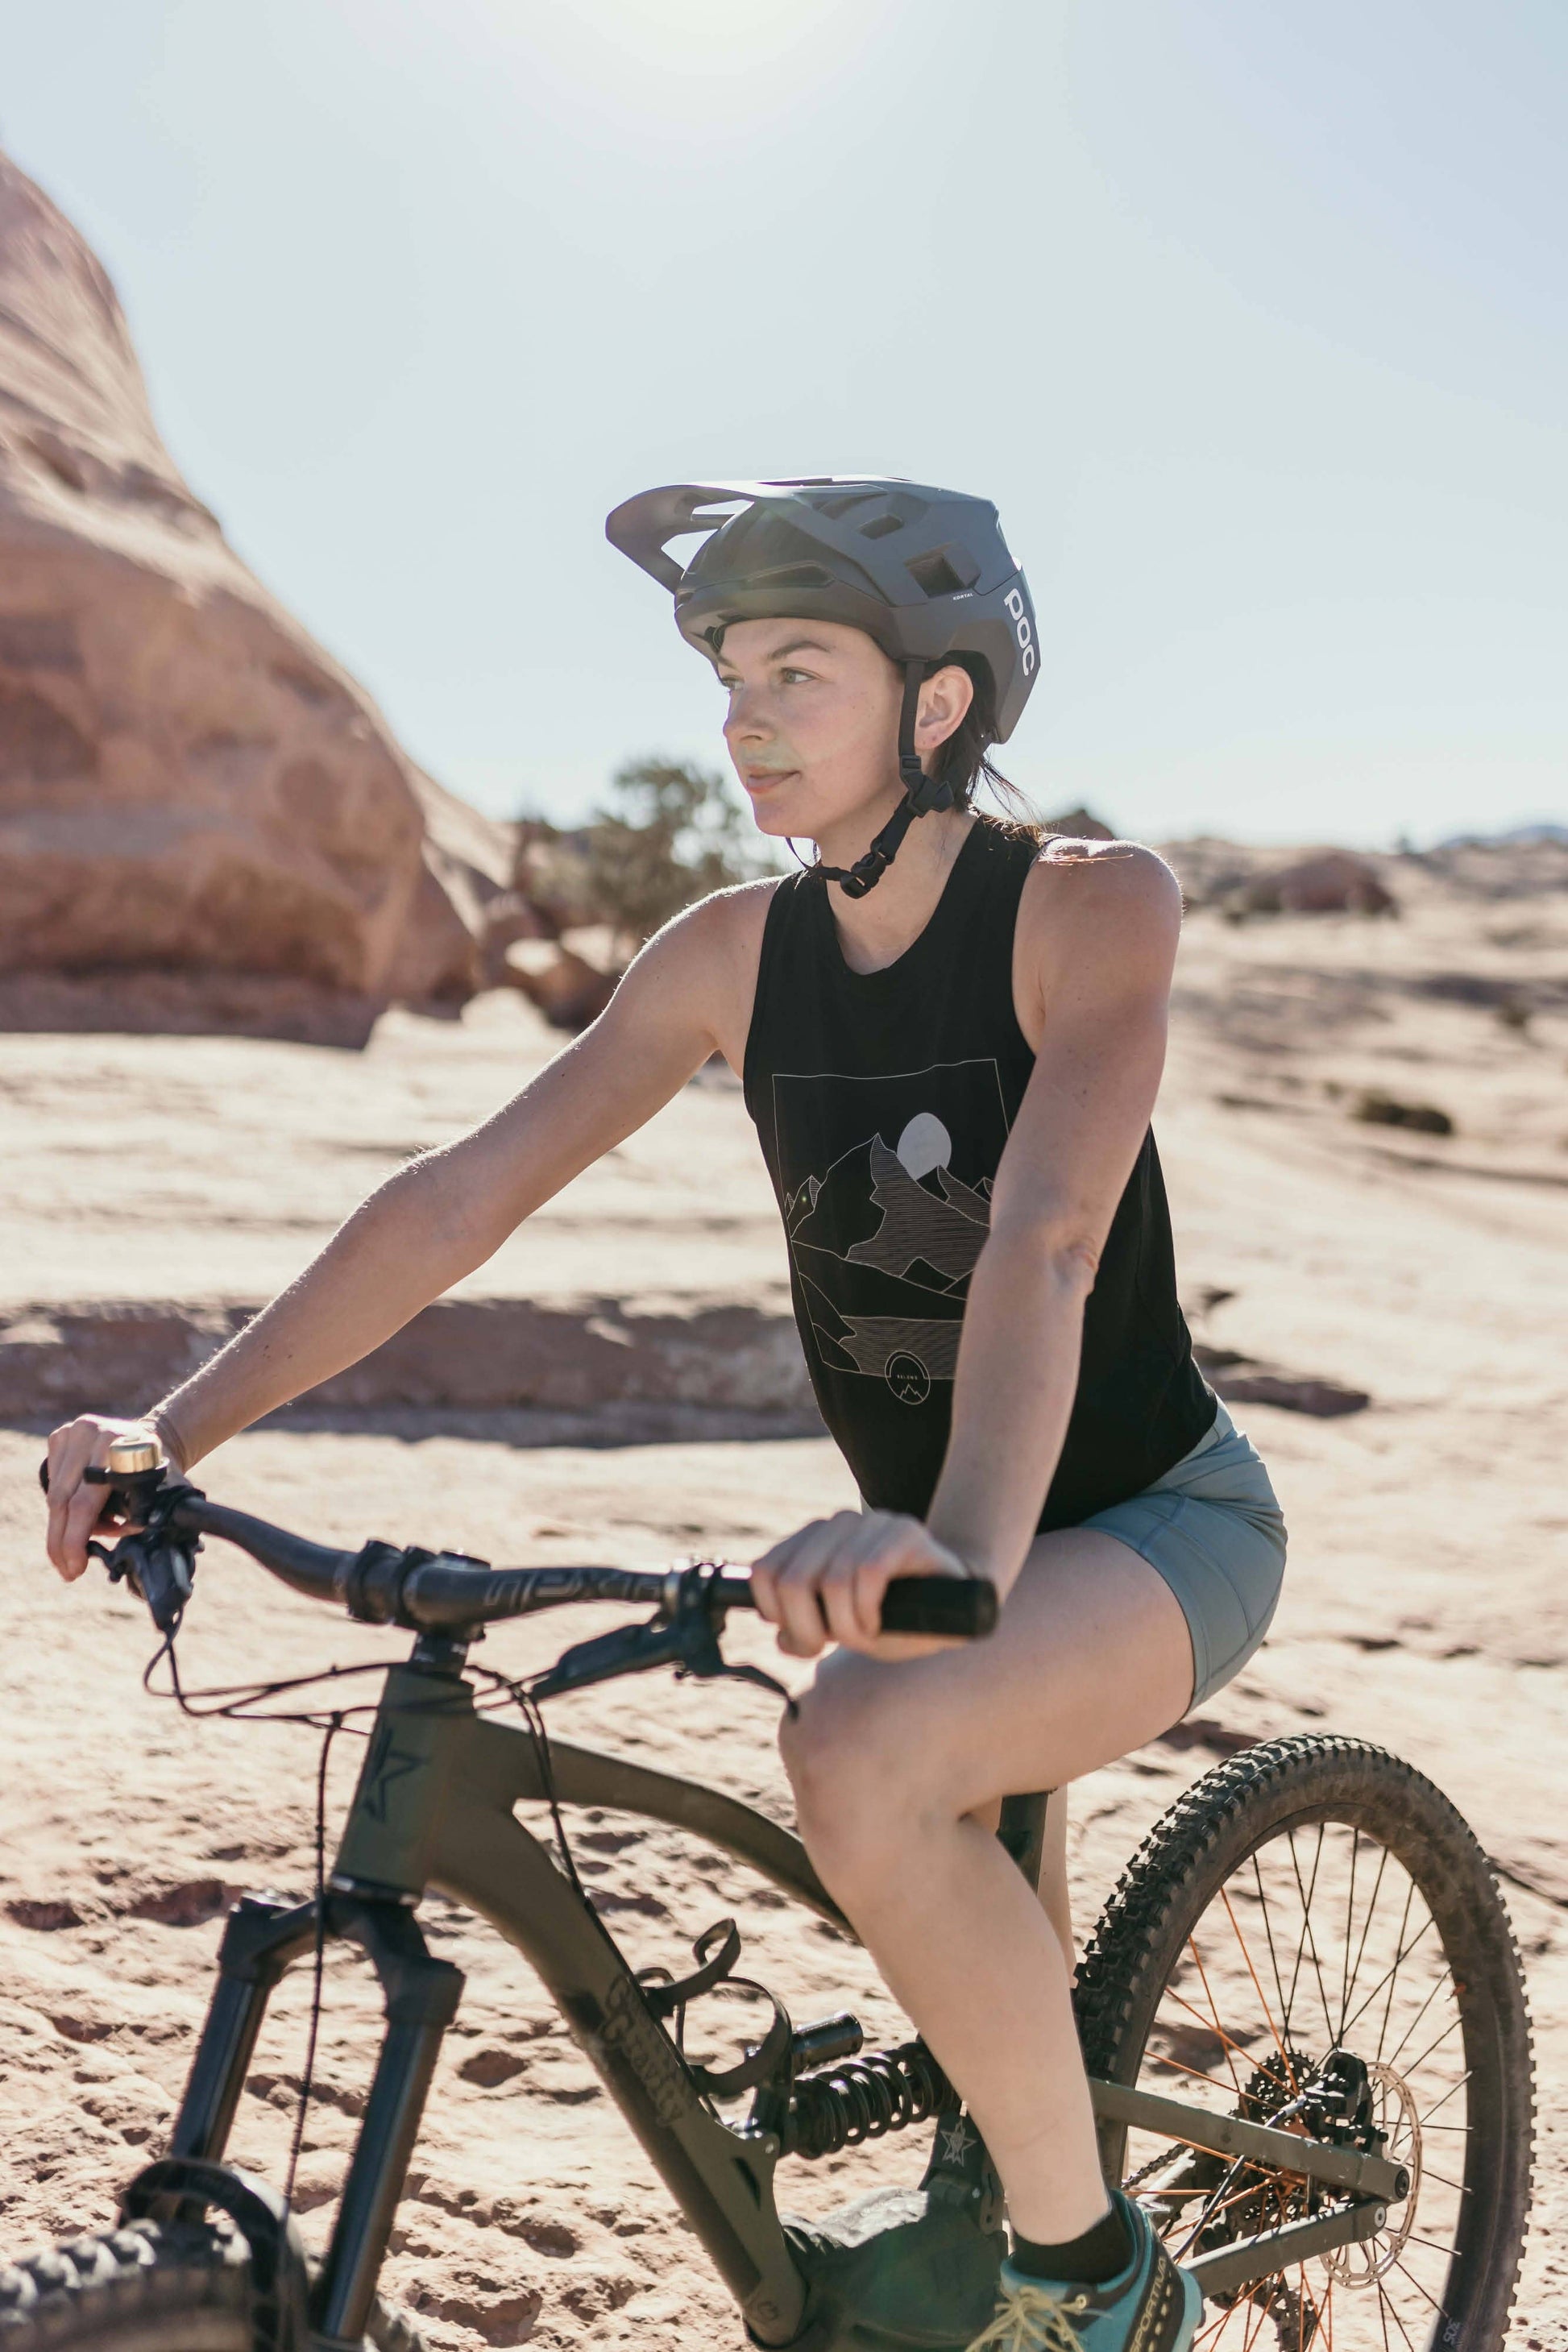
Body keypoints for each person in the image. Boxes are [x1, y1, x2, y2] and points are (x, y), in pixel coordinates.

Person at [45, 479, 1286, 2352]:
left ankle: (1099, 2288)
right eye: (727, 672)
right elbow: (461, 1195)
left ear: (937, 705)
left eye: (798, 666)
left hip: (1146, 1524)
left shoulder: (1085, 910)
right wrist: (173, 1429)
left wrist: (951, 1552)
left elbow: (1041, 1240)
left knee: (858, 1748)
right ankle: (1014, 2196)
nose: (742, 714)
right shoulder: (728, 952)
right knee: (936, 1897)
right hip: (953, 1550)